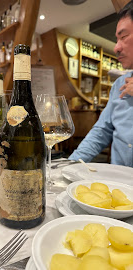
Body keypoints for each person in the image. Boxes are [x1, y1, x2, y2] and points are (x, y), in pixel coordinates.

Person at [69, 1, 133, 167]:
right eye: (117, 39)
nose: (116, 47)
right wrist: (71, 164)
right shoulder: (119, 84)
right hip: (118, 184)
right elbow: (101, 131)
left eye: (124, 37)